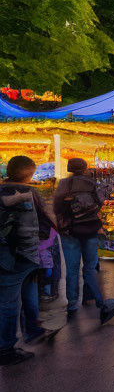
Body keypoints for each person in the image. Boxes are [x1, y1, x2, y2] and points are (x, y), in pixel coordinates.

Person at [53, 158, 114, 324]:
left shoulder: (63, 184)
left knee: (71, 270)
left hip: (69, 232)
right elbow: (99, 203)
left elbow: (57, 208)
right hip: (90, 230)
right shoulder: (90, 183)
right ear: (85, 168)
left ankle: (72, 305)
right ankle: (100, 303)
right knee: (90, 267)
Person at [1, 156, 58, 365]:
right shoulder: (29, 193)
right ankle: (6, 347)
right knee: (12, 302)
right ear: (30, 173)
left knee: (18, 297)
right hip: (22, 254)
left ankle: (32, 330)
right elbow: (43, 221)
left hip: (10, 254)